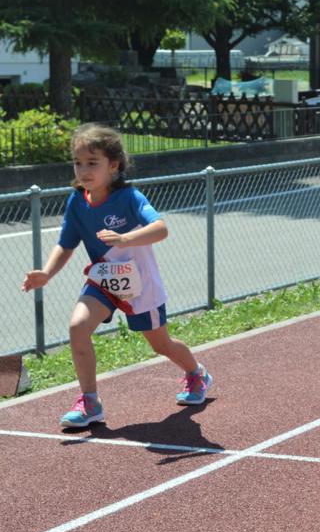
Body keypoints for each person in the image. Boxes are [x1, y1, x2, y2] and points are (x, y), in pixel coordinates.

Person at [21, 124, 212, 428]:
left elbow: (161, 229)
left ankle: (196, 373)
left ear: (114, 165)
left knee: (161, 344)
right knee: (77, 327)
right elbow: (66, 245)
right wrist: (46, 273)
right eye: (78, 162)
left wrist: (125, 240)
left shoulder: (129, 198)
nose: (83, 169)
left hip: (141, 284)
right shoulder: (77, 202)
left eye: (92, 163)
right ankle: (90, 402)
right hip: (104, 280)